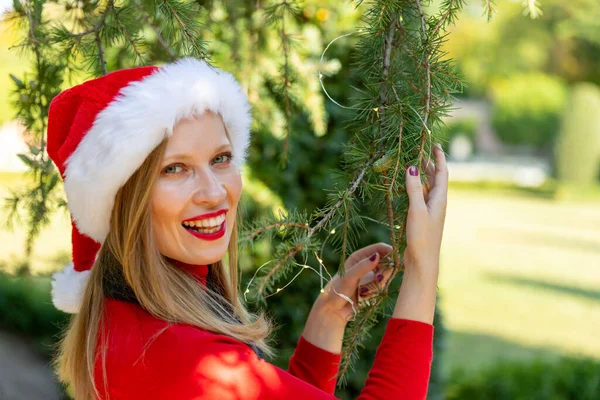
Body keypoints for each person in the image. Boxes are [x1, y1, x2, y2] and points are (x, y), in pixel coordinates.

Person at [47, 57, 448, 400]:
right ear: (123, 200)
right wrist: (422, 264)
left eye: (221, 158)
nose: (213, 191)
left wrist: (328, 316)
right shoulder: (186, 358)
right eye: (174, 168)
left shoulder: (126, 319)